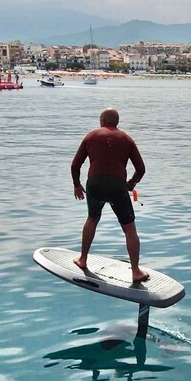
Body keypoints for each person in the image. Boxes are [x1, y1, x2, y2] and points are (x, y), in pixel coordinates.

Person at [71, 108, 149, 283]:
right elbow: (141, 169)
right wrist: (131, 184)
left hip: (95, 185)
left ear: (102, 121)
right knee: (129, 229)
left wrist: (77, 184)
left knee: (92, 219)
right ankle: (136, 271)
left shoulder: (91, 136)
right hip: (117, 186)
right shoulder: (127, 139)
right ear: (117, 122)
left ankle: (83, 259)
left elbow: (76, 165)